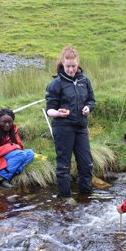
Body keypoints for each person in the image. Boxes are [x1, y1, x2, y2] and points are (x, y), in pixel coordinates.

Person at [45, 45, 95, 198]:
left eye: (74, 66)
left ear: (78, 63)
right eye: (68, 66)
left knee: (86, 163)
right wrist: (58, 113)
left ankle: (86, 196)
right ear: (62, 63)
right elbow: (49, 110)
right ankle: (66, 198)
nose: (71, 69)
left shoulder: (84, 81)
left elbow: (91, 100)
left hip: (80, 127)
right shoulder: (55, 84)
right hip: (63, 127)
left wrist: (88, 107)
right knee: (64, 165)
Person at [0, 108, 34, 189]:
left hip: (4, 155)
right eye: (4, 122)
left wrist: (14, 148)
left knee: (30, 153)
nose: (7, 125)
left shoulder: (12, 129)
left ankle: (5, 178)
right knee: (21, 154)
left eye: (9, 122)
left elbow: (19, 147)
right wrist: (12, 147)